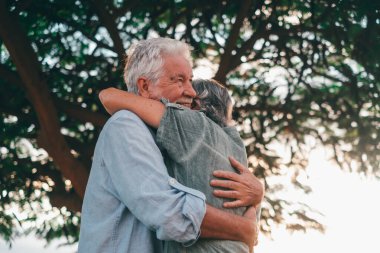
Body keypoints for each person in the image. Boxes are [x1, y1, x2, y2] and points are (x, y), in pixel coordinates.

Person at [78, 38, 263, 253]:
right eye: (179, 80)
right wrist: (245, 229)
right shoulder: (125, 125)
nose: (192, 92)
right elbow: (168, 213)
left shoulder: (170, 136)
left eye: (190, 80)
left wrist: (257, 193)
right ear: (145, 86)